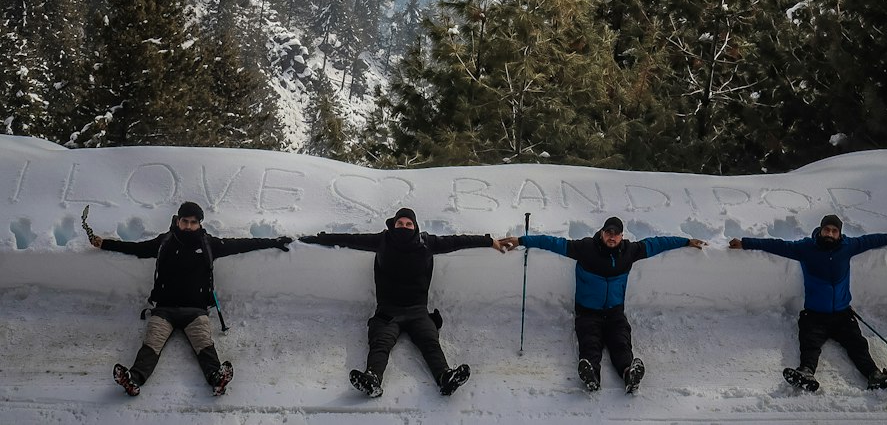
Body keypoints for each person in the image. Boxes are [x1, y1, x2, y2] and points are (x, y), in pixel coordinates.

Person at [300, 206, 510, 398]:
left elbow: (458, 241)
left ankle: (445, 377)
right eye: (400, 223)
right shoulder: (382, 240)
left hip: (418, 310)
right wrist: (317, 239)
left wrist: (489, 241)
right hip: (388, 310)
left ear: (415, 226)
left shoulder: (427, 243)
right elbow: (350, 239)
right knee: (380, 342)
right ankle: (373, 379)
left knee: (429, 341)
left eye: (408, 224)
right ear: (393, 224)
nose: (404, 226)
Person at [91, 200, 290, 397]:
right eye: (185, 221)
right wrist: (105, 244)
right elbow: (137, 248)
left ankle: (216, 378)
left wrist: (274, 241)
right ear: (178, 220)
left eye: (193, 222)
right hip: (164, 309)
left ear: (200, 223)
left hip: (195, 311)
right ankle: (133, 379)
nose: (188, 226)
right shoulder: (165, 241)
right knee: (151, 344)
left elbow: (241, 244)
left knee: (204, 344)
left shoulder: (208, 244)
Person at [499, 215, 705, 394]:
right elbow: (553, 242)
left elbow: (658, 243)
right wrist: (521, 239)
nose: (612, 237)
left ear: (622, 236)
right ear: (602, 232)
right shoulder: (586, 248)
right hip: (588, 311)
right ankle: (591, 374)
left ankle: (628, 373)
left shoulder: (630, 251)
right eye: (608, 232)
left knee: (620, 341)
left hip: (615, 311)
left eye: (616, 233)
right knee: (590, 340)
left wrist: (686, 241)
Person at [729, 213, 887, 392]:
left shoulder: (848, 246)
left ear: (839, 233)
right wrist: (745, 243)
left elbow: (871, 240)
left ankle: (875, 376)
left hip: (843, 314)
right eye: (827, 230)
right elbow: (778, 245)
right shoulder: (806, 248)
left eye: (834, 231)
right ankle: (806, 372)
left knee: (858, 344)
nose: (830, 234)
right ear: (820, 230)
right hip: (815, 314)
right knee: (810, 342)